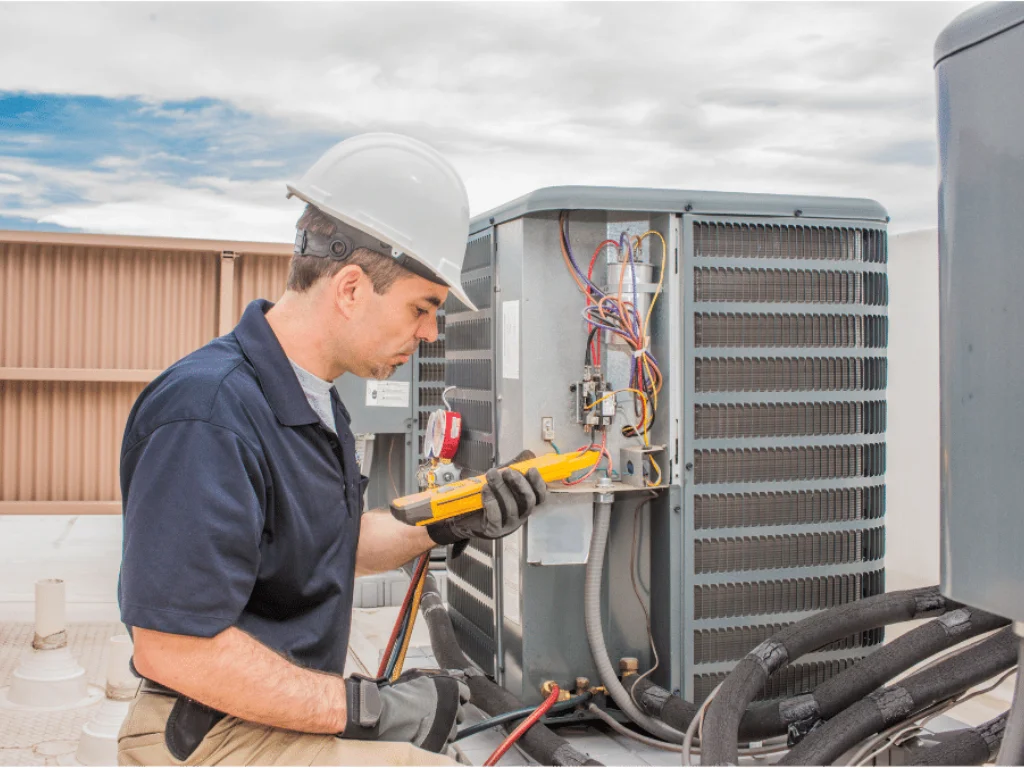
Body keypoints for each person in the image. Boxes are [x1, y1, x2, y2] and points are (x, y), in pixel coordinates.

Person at [116, 134, 547, 766]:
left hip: (264, 715)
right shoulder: (208, 414)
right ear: (350, 288)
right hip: (206, 733)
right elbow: (174, 647)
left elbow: (330, 549)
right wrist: (364, 708)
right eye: (423, 308)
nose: (429, 333)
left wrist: (454, 515)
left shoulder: (311, 399)